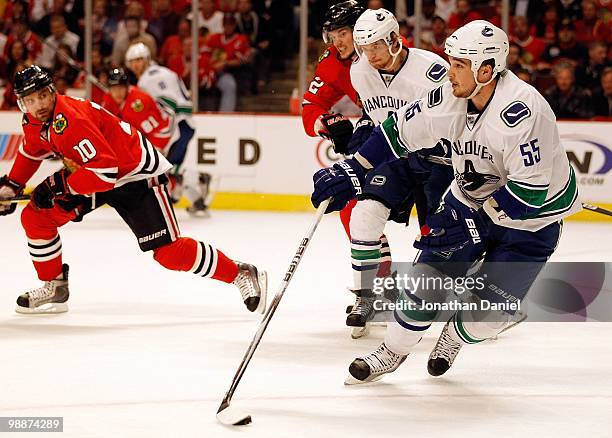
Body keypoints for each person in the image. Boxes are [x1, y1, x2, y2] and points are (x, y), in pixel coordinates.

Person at [311, 21, 580, 383]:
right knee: (425, 283)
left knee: (487, 318)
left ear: (487, 69)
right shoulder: (450, 96)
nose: (448, 72)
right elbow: (396, 132)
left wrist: (476, 221)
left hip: (531, 222)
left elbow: (529, 194)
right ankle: (392, 351)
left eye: (458, 65)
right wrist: (353, 169)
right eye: (450, 61)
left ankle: (454, 335)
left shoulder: (523, 111)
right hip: (468, 199)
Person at [0, 66, 267, 315]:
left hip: (136, 174)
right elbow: (32, 151)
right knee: (36, 216)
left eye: (42, 97)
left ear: (52, 92)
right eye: (30, 101)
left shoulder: (71, 119)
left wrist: (60, 185)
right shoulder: (34, 120)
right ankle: (55, 286)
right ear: (22, 104)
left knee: (169, 253)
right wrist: (12, 185)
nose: (38, 106)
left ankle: (240, 272)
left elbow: (105, 173)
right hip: (96, 172)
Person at [343, 8, 452, 337]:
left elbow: (453, 119)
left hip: (437, 160)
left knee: (444, 238)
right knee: (364, 215)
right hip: (395, 157)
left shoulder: (433, 71)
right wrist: (363, 129)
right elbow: (374, 113)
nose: (369, 55)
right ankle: (365, 296)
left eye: (376, 45)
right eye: (364, 48)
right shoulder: (360, 71)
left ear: (394, 39)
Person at [125, 42, 210, 216]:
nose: (136, 64)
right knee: (170, 167)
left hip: (177, 126)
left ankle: (200, 177)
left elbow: (168, 104)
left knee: (165, 167)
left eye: (139, 59)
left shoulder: (153, 76)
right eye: (132, 61)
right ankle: (197, 201)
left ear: (147, 59)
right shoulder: (157, 74)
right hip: (182, 125)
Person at [101, 68, 172, 150]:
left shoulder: (137, 103)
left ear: (127, 88)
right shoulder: (108, 98)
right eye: (114, 89)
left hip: (160, 135)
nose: (117, 93)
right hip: (141, 137)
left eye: (120, 88)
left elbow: (153, 132)